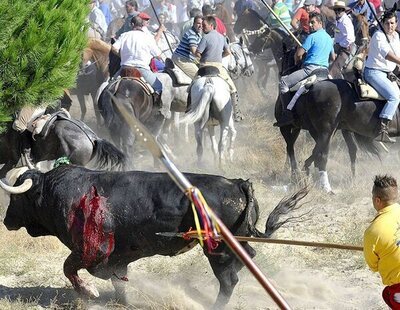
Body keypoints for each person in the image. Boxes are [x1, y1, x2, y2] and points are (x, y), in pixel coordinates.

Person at [274, 12, 334, 127]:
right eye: (309, 22)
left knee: (283, 83)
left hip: (310, 70)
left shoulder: (312, 37)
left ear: (320, 23)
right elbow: (333, 57)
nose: (310, 25)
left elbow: (298, 54)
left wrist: (298, 60)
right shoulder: (329, 38)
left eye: (313, 22)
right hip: (325, 71)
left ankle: (287, 114)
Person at [195, 16, 243, 121]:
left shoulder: (205, 37)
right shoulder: (222, 37)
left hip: (204, 66)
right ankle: (236, 113)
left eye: (204, 26)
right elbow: (228, 52)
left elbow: (197, 53)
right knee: (232, 88)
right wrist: (218, 57)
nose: (203, 28)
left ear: (211, 26)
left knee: (192, 86)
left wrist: (203, 58)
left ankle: (190, 108)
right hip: (218, 67)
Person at [364, 175, 400, 309]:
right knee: (387, 294)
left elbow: (373, 266)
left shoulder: (373, 232)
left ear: (377, 200)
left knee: (390, 294)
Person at [364, 10, 400, 143]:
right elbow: (388, 55)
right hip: (374, 72)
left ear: (396, 24)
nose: (389, 26)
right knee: (394, 97)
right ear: (382, 24)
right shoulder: (378, 35)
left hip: (389, 73)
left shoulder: (396, 36)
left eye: (392, 23)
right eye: (387, 23)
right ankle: (382, 130)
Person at [112, 15, 164, 105]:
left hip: (124, 69)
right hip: (142, 70)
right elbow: (158, 54)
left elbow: (113, 48)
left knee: (109, 84)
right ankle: (157, 110)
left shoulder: (124, 35)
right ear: (142, 25)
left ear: (132, 24)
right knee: (159, 86)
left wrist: (121, 56)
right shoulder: (148, 38)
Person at [329, 1, 355, 79]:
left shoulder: (346, 21)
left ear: (343, 10)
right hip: (338, 45)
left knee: (336, 67)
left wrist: (339, 45)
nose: (337, 11)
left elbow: (349, 39)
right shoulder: (338, 20)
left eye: (339, 9)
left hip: (346, 48)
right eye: (336, 10)